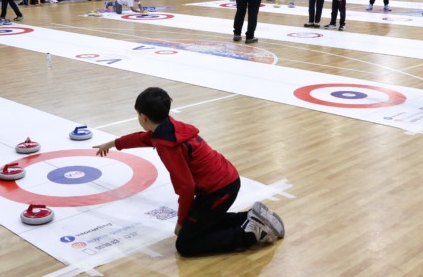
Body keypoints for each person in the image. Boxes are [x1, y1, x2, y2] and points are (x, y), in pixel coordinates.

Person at [93, 87, 284, 255]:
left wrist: (181, 222)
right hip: (226, 180)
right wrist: (112, 143)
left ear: (143, 117)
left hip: (219, 190)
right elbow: (142, 138)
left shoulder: (167, 145)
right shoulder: (169, 127)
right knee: (200, 224)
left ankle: (249, 234)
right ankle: (250, 217)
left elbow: (186, 187)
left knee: (186, 244)